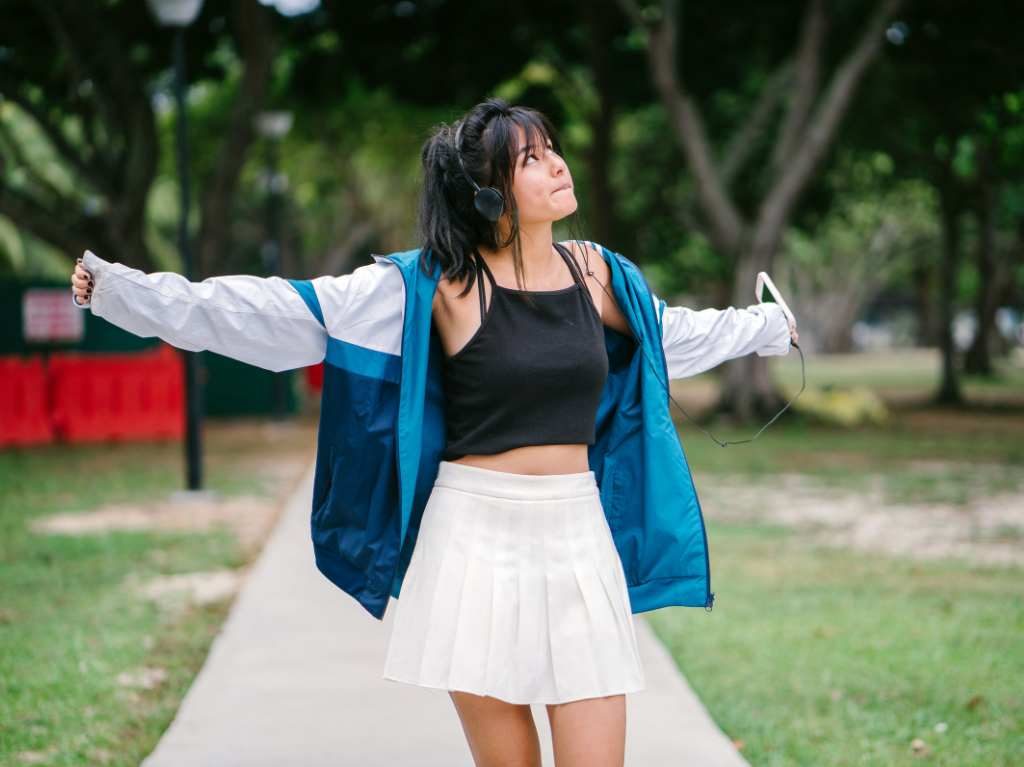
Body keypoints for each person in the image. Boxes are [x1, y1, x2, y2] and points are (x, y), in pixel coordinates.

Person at [70, 97, 797, 767]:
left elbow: (670, 336)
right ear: (489, 193)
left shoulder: (600, 275)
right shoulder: (434, 286)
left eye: (552, 148)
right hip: (473, 540)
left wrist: (770, 326)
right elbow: (275, 311)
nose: (556, 164)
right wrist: (124, 293)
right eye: (530, 158)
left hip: (578, 534)